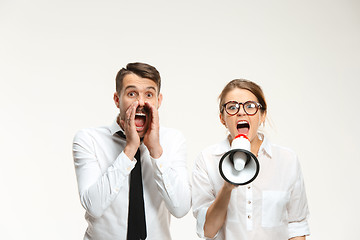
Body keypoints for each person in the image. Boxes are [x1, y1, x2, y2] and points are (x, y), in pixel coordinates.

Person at [73, 62, 191, 240]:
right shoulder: (88, 140)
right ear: (117, 99)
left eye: (149, 94)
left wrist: (156, 151)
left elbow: (181, 208)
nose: (141, 102)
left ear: (158, 101)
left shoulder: (173, 140)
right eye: (131, 94)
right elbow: (94, 206)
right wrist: (130, 149)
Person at [192, 79, 310, 240]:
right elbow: (208, 231)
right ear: (222, 118)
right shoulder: (207, 159)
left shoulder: (287, 160)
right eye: (232, 107)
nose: (241, 112)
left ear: (262, 115)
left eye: (250, 106)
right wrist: (227, 187)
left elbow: (296, 226)